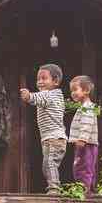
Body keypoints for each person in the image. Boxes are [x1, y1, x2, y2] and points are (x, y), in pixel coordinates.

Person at [20, 63, 66, 195]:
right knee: (47, 165)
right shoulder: (56, 95)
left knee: (49, 164)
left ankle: (54, 188)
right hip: (53, 138)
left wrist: (28, 95)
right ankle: (53, 186)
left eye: (44, 78)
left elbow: (36, 98)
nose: (40, 82)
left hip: (53, 139)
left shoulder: (49, 95)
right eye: (38, 79)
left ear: (55, 81)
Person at [68, 75, 98, 194]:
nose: (72, 93)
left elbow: (87, 124)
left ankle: (85, 190)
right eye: (71, 91)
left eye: (75, 89)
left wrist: (82, 139)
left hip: (86, 144)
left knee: (84, 167)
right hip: (84, 143)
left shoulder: (88, 108)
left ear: (86, 90)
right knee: (82, 166)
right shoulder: (83, 107)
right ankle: (87, 189)